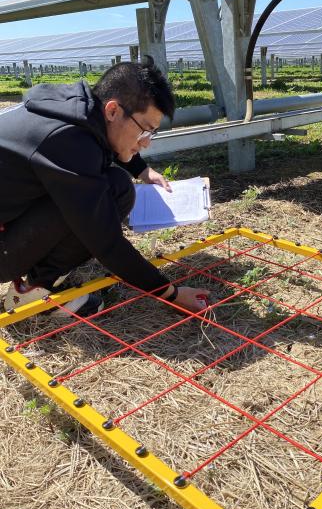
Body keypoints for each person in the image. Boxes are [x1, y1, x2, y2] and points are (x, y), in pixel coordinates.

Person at [0, 59, 209, 317]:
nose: (146, 143)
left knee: (117, 185)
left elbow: (100, 142)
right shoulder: (68, 140)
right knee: (103, 203)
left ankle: (40, 276)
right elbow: (105, 241)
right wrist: (170, 293)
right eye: (145, 131)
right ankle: (33, 291)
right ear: (112, 111)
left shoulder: (70, 110)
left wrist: (142, 170)